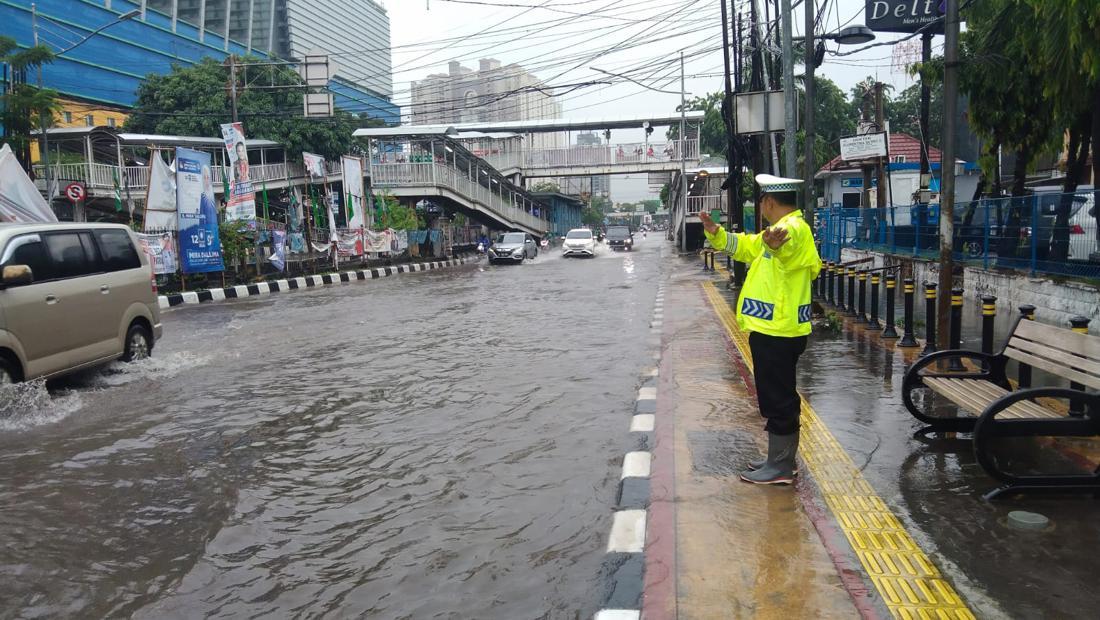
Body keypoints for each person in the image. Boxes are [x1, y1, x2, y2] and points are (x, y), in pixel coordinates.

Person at [698, 174, 822, 486]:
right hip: (773, 329)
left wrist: (779, 247)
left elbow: (795, 255)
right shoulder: (775, 233)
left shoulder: (794, 229)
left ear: (768, 202)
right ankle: (778, 460)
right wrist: (717, 234)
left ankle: (780, 466)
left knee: (778, 399)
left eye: (762, 203)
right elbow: (745, 246)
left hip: (779, 331)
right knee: (775, 395)